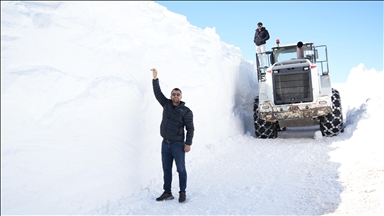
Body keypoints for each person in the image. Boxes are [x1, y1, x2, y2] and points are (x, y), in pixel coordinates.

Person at [150, 68, 194, 203]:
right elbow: (157, 93)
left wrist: (188, 143)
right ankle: (167, 192)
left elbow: (190, 128)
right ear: (170, 96)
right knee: (166, 169)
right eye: (173, 94)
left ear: (181, 97)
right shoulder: (166, 105)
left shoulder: (186, 111)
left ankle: (182, 192)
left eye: (178, 94)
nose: (175, 96)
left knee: (181, 170)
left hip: (178, 145)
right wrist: (155, 79)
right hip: (165, 143)